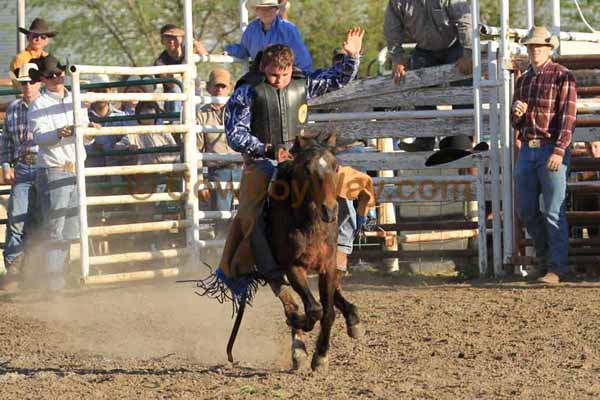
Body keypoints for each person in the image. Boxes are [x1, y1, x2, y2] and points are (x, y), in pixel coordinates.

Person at [219, 27, 364, 297]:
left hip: (300, 157)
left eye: (284, 75)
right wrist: (266, 148)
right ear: (263, 68)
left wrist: (352, 58)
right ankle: (258, 266)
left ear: (291, 70)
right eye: (274, 74)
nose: (279, 81)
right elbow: (235, 134)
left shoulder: (302, 82)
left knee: (343, 189)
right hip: (262, 161)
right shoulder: (246, 92)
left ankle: (341, 251)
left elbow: (337, 79)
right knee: (251, 214)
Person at [512, 26, 577, 284]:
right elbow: (516, 124)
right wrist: (517, 116)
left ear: (549, 49)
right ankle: (547, 260)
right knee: (526, 210)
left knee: (552, 211)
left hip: (550, 147)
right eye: (530, 46)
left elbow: (568, 119)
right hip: (529, 147)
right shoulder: (523, 81)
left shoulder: (563, 76)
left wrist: (560, 150)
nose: (534, 50)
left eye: (539, 46)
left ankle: (556, 267)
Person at [28, 55, 97, 290]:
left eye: (59, 73)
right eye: (51, 75)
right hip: (55, 168)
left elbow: (86, 139)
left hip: (75, 167)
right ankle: (53, 284)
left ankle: (59, 279)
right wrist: (60, 132)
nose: (56, 77)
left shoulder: (76, 99)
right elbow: (39, 137)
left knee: (69, 229)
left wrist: (91, 132)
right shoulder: (38, 104)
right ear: (43, 79)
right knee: (55, 229)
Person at [384, 0, 473, 151]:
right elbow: (392, 28)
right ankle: (425, 138)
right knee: (420, 92)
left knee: (461, 90)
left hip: (454, 45)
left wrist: (468, 53)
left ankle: (464, 138)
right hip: (424, 48)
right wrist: (397, 60)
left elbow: (464, 21)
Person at [0, 63, 42, 290]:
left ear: (39, 82)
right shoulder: (14, 109)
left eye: (31, 81)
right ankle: (15, 269)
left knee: (42, 217)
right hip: (23, 166)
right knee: (17, 218)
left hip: (46, 165)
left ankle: (37, 269)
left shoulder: (47, 105)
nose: (27, 85)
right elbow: (5, 141)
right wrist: (6, 164)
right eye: (24, 82)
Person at [196, 68, 240, 239]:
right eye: (216, 86)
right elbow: (196, 149)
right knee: (222, 217)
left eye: (223, 86)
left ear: (230, 88)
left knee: (249, 214)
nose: (219, 90)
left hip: (242, 168)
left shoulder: (238, 110)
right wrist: (200, 179)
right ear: (208, 88)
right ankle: (220, 252)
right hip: (218, 171)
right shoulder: (201, 114)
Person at [224, 0, 312, 73]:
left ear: (276, 10)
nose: (266, 12)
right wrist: (228, 50)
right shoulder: (252, 29)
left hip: (284, 79)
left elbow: (303, 62)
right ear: (257, 10)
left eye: (270, 8)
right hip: (260, 79)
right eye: (262, 8)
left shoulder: (288, 30)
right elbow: (243, 49)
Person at [154, 24, 208, 114]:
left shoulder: (189, 53)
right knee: (176, 90)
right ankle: (177, 123)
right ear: (162, 40)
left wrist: (191, 40)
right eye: (167, 37)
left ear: (182, 39)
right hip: (174, 103)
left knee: (195, 115)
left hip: (193, 94)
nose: (171, 41)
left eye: (175, 37)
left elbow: (205, 55)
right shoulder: (161, 61)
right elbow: (172, 84)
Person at [9, 18, 56, 88]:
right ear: (28, 38)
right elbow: (19, 86)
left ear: (47, 41)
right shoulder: (20, 58)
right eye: (35, 36)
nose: (38, 39)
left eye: (43, 37)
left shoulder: (50, 58)